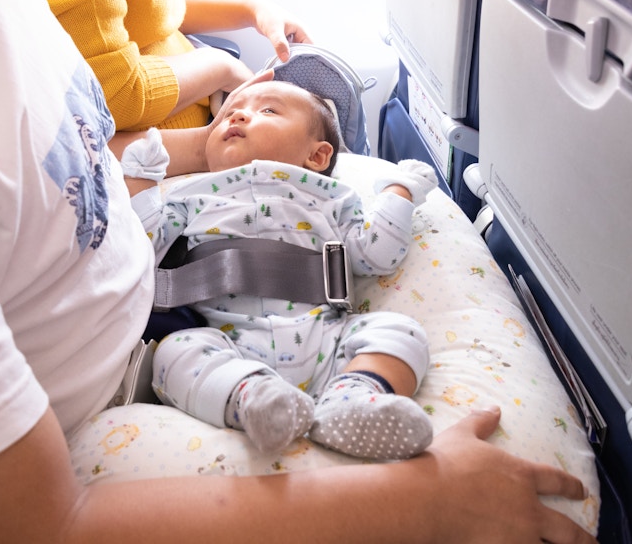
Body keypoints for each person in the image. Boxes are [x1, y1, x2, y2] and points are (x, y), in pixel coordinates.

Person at [0, 0, 597, 542]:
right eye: (243, 100)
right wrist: (428, 504)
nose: (243, 107)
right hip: (134, 390)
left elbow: (51, 162)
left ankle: (359, 389)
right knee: (200, 359)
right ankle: (267, 403)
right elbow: (34, 525)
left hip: (201, 324)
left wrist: (242, 162)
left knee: (389, 332)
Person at [122, 80, 437, 459]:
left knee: (401, 332)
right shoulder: (189, 195)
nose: (237, 114)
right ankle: (252, 400)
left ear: (317, 157)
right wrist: (140, 183)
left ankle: (355, 398)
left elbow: (376, 254)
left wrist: (399, 192)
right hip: (229, 345)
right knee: (173, 354)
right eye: (229, 111)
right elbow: (145, 247)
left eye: (268, 110)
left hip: (325, 338)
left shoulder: (332, 197)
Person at [13, 0, 313, 132]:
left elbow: (141, 0)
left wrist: (252, 9)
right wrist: (222, 68)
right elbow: (114, 95)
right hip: (154, 151)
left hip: (199, 105)